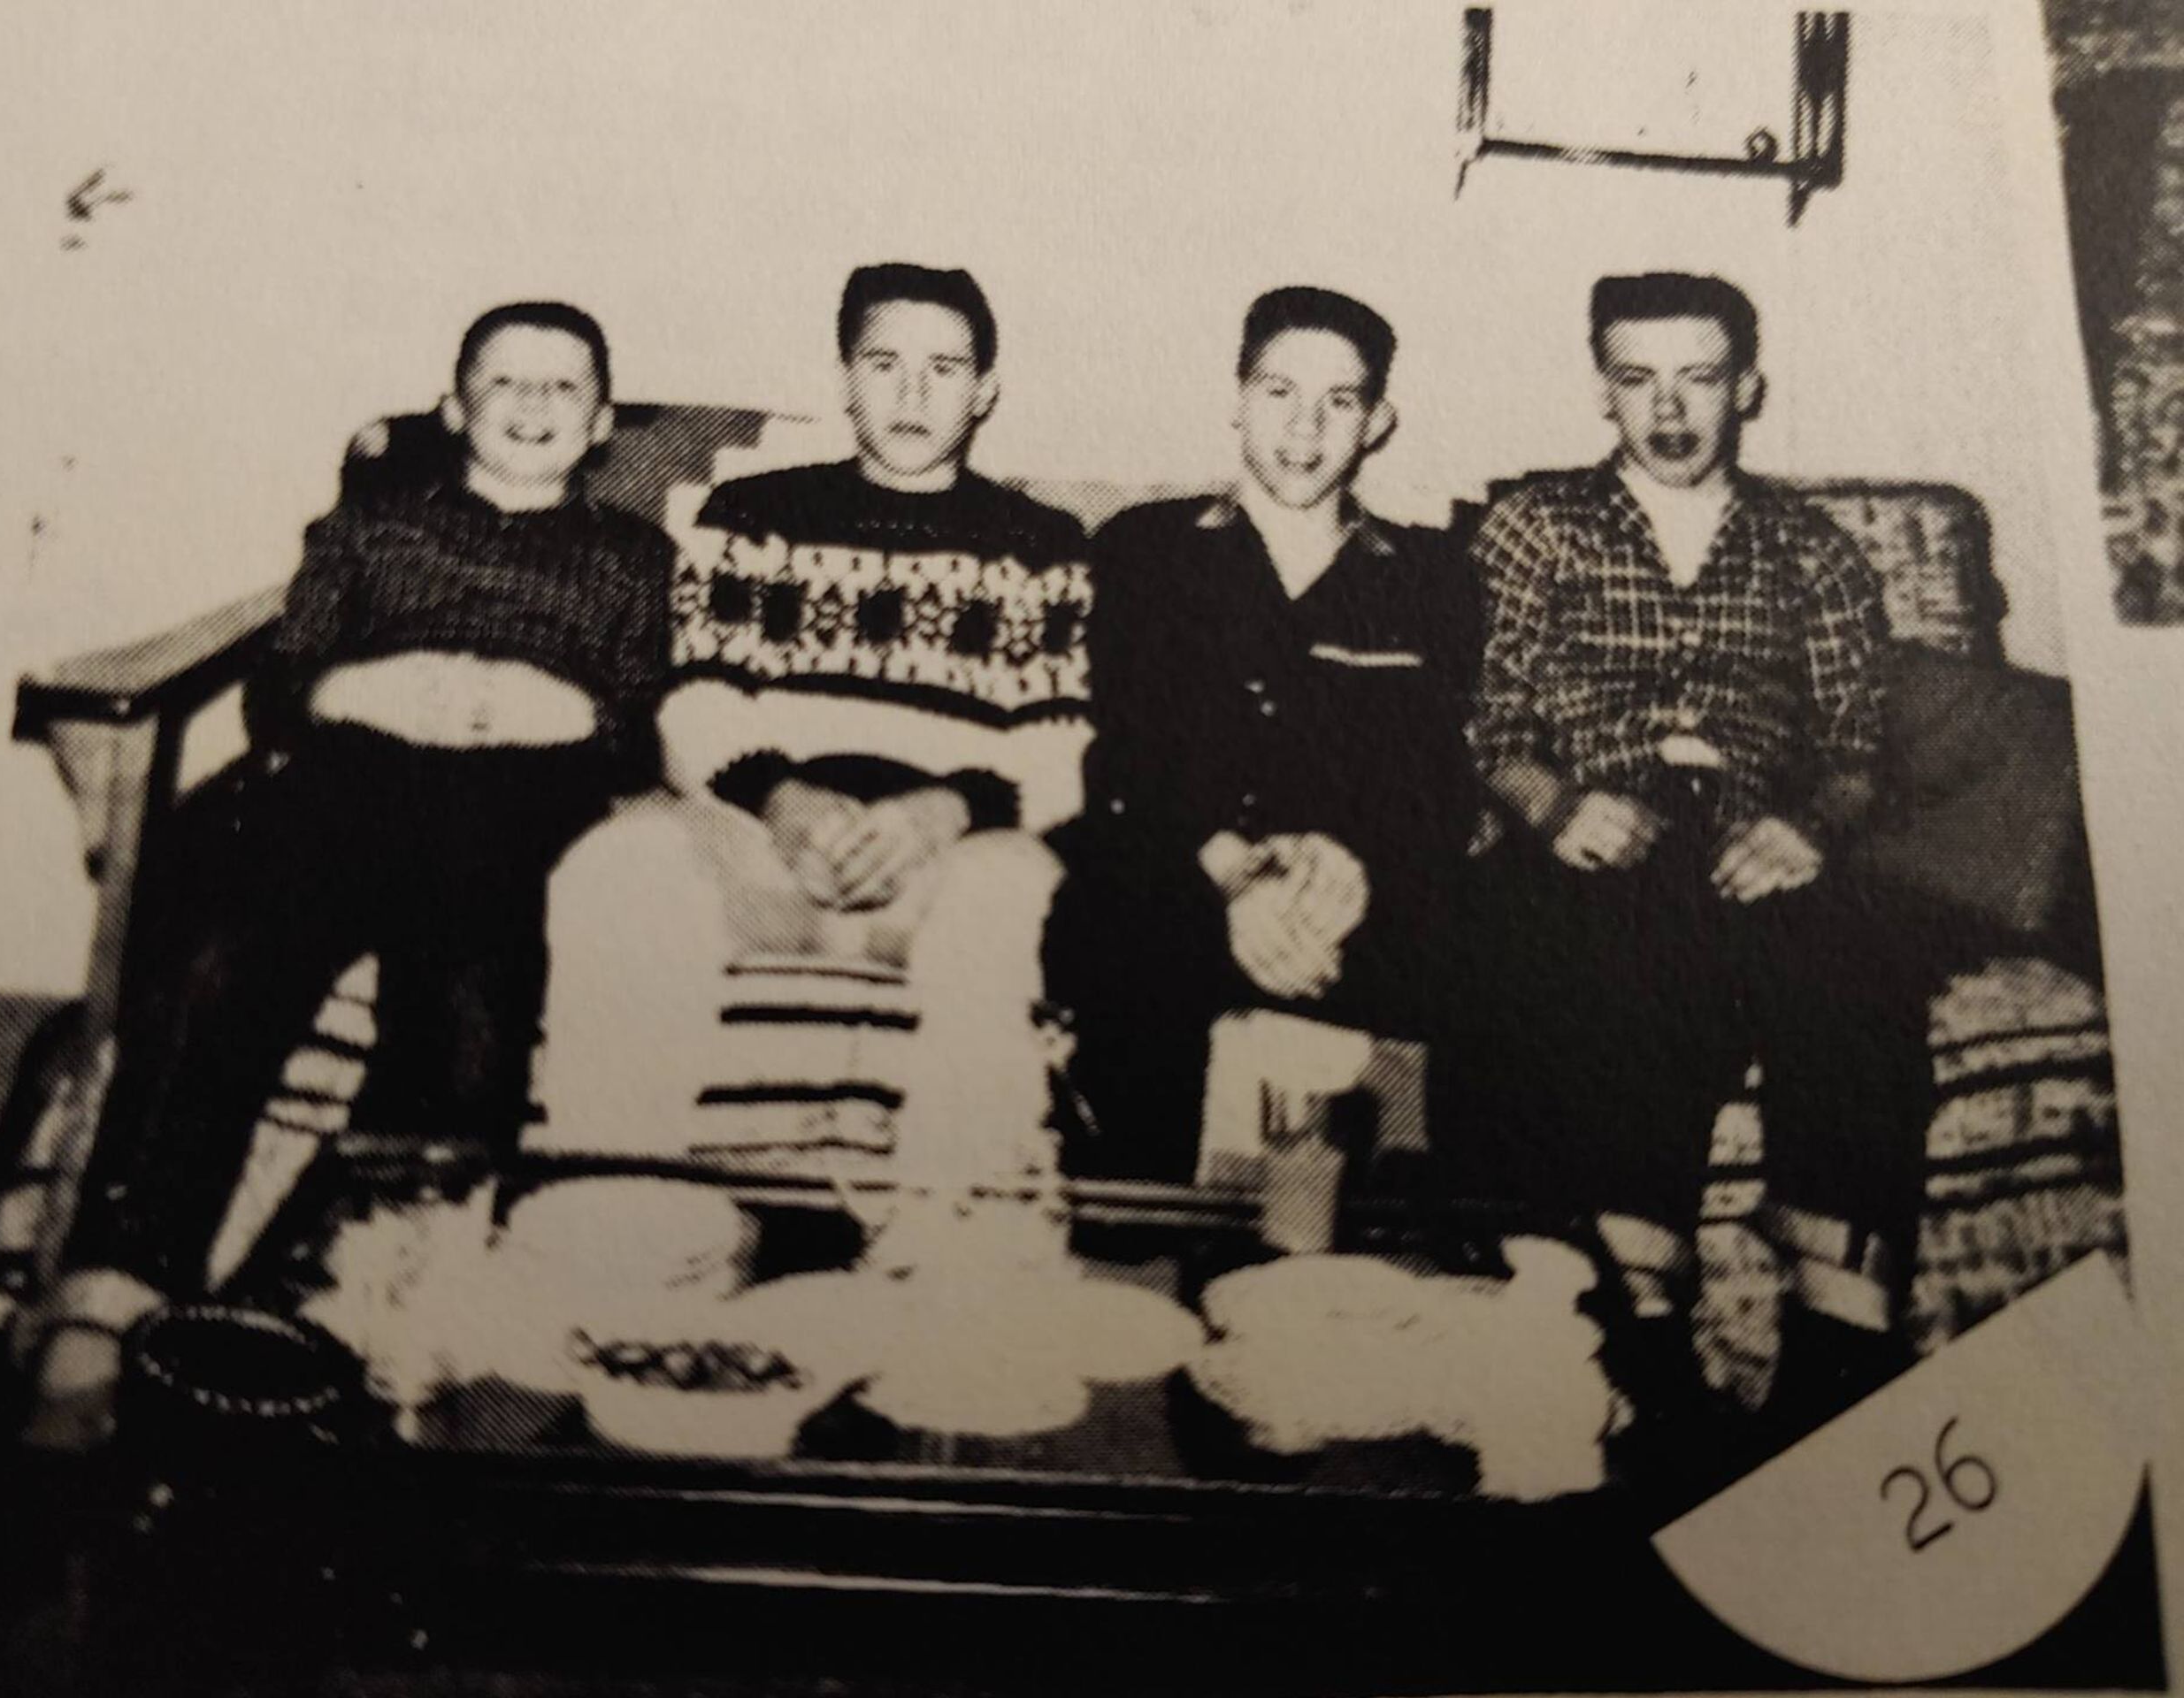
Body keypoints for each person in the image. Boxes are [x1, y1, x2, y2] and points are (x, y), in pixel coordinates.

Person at [41, 302, 673, 1357]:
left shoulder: (631, 555)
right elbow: (284, 680)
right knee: (221, 950)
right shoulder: (368, 526)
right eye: (504, 381)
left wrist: (558, 714)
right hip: (349, 777)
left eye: (563, 387)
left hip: (521, 792)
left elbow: (637, 709)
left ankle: (351, 1294)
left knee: (472, 986)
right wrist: (362, 689)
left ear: (602, 422)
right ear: (451, 406)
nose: (532, 405)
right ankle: (112, 1288)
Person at [1456, 272, 1936, 1442]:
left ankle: (1838, 1350)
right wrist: (1552, 801)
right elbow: (1483, 712)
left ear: (1748, 388)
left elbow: (1855, 746)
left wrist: (1808, 829)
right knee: (1615, 952)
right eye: (1638, 380)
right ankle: (1644, 1329)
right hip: (1589, 833)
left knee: (1869, 969)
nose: (1669, 410)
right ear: (1603, 391)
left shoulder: (1807, 548)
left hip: (1750, 842)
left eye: (1700, 379)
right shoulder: (1537, 526)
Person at [535, 264, 1091, 1191]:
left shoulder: (1042, 540)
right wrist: (782, 801)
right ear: (844, 377)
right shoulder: (752, 510)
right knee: (616, 869)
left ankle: (953, 1230)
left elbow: (1064, 745)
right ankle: (617, 1211)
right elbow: (692, 703)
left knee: (1016, 899)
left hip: (949, 857)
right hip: (760, 839)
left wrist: (941, 814)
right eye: (884, 363)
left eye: (945, 368)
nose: (912, 393)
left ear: (985, 390)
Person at [1047, 287, 1483, 1182]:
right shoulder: (1144, 549)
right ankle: (1139, 1252)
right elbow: (1119, 746)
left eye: (1340, 401)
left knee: (1463, 945)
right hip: (1176, 867)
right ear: (1237, 397)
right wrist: (1227, 868)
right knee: (1125, 928)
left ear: (1377, 421)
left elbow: (1437, 776)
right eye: (1279, 392)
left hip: (1348, 889)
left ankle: (1365, 1261)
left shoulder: (1432, 579)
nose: (1305, 428)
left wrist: (1355, 867)